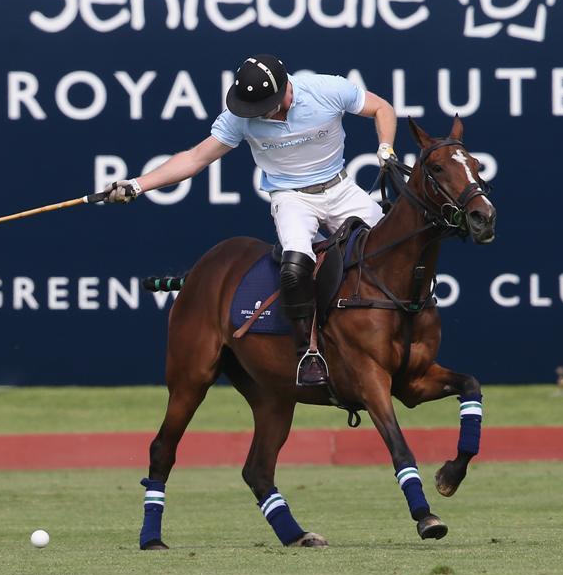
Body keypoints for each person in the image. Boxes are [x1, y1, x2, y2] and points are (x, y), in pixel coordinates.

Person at [106, 54, 398, 387]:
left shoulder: (326, 89)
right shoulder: (240, 116)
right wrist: (138, 184)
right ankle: (308, 351)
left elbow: (382, 108)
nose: (259, 114)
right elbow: (195, 158)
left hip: (341, 188)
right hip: (291, 198)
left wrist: (385, 148)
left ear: (286, 87)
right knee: (295, 263)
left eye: (267, 105)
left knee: (392, 247)